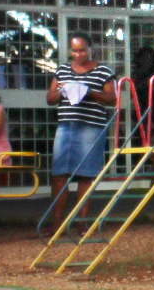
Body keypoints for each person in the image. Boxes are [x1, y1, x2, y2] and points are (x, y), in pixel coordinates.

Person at [45, 32, 119, 218]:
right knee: (59, 175)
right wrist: (62, 90)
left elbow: (112, 99)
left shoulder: (103, 71)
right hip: (66, 127)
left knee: (86, 175)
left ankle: (81, 223)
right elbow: (50, 99)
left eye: (82, 50)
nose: (78, 55)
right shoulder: (62, 70)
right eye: (75, 51)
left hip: (91, 128)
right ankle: (56, 224)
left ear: (90, 49)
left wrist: (88, 92)